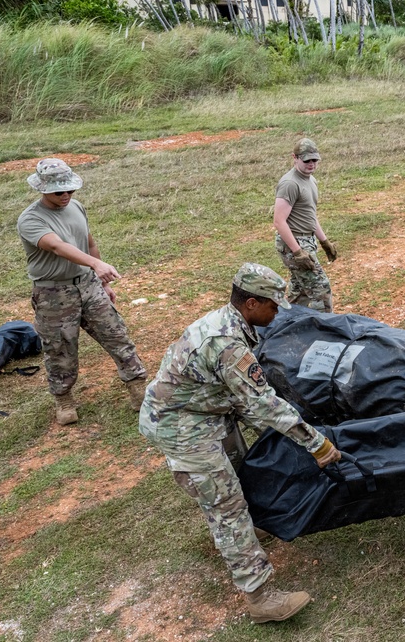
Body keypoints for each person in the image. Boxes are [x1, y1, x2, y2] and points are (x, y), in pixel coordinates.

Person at [139, 263, 342, 624]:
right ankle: (259, 596)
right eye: (272, 306)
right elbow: (263, 404)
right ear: (251, 303)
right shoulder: (225, 343)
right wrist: (317, 444)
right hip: (183, 427)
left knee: (240, 473)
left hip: (205, 411)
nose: (277, 312)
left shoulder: (232, 324)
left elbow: (246, 397)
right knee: (225, 505)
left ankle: (253, 528)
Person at [16, 158, 146, 426]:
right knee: (60, 349)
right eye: (58, 192)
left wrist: (104, 282)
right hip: (54, 294)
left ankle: (139, 388)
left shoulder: (76, 207)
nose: (65, 196)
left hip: (89, 284)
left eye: (69, 190)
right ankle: (63, 399)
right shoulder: (31, 219)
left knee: (117, 335)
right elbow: (56, 246)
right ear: (42, 189)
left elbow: (89, 243)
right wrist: (95, 264)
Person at [273, 137, 336, 312]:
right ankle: (326, 331)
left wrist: (324, 241)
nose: (312, 164)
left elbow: (309, 215)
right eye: (307, 160)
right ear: (295, 157)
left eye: (315, 160)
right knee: (321, 290)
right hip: (294, 243)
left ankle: (285, 324)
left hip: (307, 241)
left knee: (300, 291)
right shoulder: (290, 184)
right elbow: (279, 221)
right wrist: (298, 251)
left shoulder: (311, 180)